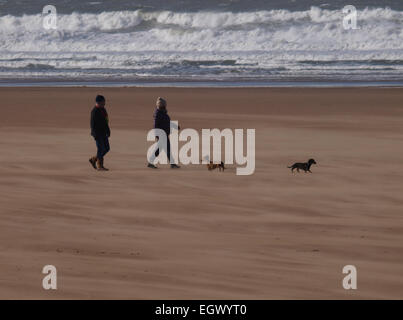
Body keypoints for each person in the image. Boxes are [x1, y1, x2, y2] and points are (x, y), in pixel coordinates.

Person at [148, 97, 180, 169]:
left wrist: (175, 126)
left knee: (160, 149)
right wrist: (157, 134)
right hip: (161, 134)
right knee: (168, 149)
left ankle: (150, 163)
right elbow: (155, 125)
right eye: (163, 105)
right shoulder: (158, 114)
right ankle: (172, 164)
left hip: (164, 134)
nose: (165, 106)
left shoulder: (163, 113)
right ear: (161, 105)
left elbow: (167, 122)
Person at [89, 95, 111, 171]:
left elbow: (106, 121)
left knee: (107, 148)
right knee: (100, 149)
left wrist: (108, 130)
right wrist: (94, 134)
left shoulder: (103, 109)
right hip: (97, 134)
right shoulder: (94, 111)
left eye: (104, 102)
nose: (104, 103)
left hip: (104, 132)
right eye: (103, 102)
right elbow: (92, 124)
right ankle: (100, 166)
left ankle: (94, 159)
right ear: (98, 102)